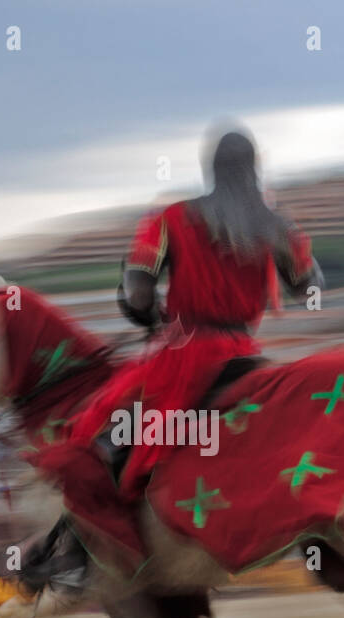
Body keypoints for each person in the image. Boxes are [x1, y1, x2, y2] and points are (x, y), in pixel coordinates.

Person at [21, 126, 323, 592]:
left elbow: (138, 289)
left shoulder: (171, 219)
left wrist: (145, 312)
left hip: (186, 356)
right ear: (255, 167)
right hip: (245, 354)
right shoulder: (276, 224)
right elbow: (310, 286)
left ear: (211, 167)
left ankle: (77, 555)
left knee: (106, 438)